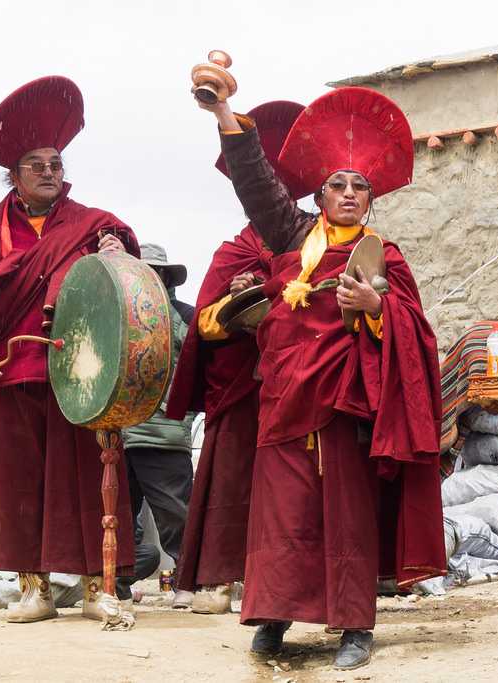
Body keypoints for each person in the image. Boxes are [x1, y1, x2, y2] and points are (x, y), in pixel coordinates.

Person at [197, 86, 446, 670]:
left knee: (345, 517)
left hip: (344, 406)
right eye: (339, 184)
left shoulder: (385, 256)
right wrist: (226, 117)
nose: (351, 194)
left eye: (361, 187)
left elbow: (415, 328)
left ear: (371, 199)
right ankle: (273, 618)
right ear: (319, 194)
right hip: (285, 399)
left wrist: (377, 308)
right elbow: (256, 184)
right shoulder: (289, 236)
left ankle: (355, 626)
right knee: (282, 515)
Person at [0, 77, 136, 623]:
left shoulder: (95, 225)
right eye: (37, 163)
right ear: (14, 175)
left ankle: (99, 589)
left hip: (82, 376)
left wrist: (118, 254)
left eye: (56, 162)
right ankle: (34, 590)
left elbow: (127, 287)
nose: (50, 171)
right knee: (19, 487)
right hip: (9, 373)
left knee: (89, 484)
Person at [167, 101, 301, 615]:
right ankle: (220, 578)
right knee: (230, 482)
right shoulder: (234, 251)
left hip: (292, 382)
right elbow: (203, 324)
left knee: (288, 487)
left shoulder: (309, 242)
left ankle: (275, 576)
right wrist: (235, 297)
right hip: (241, 387)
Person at [116, 243, 196, 606]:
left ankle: (190, 580)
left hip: (162, 430)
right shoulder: (115, 313)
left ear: (164, 276)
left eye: (153, 272)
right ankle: (114, 584)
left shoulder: (184, 316)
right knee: (116, 514)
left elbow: (200, 370)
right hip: (116, 431)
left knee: (176, 511)